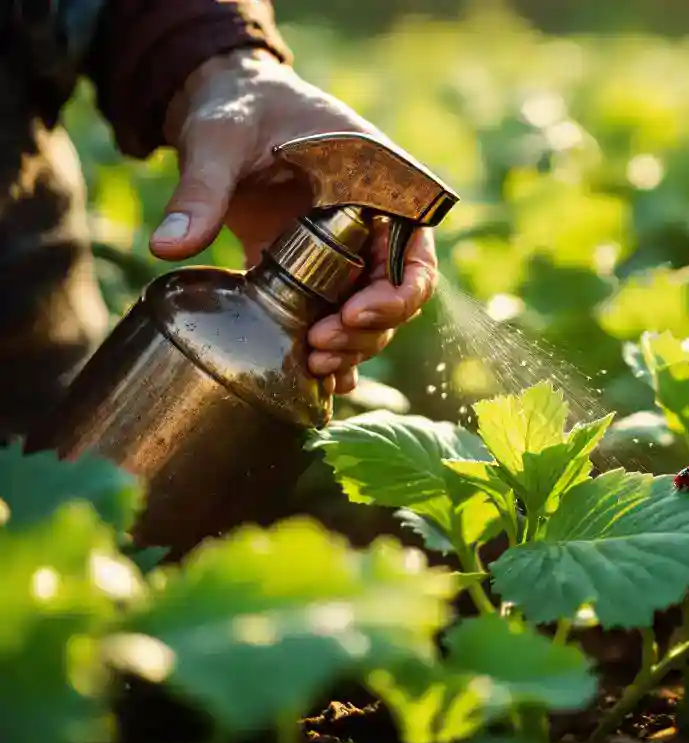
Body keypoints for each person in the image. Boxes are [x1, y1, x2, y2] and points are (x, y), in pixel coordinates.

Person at [0, 0, 437, 442]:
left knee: (70, 491)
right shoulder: (190, 308)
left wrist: (226, 64)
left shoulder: (191, 307)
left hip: (25, 316)